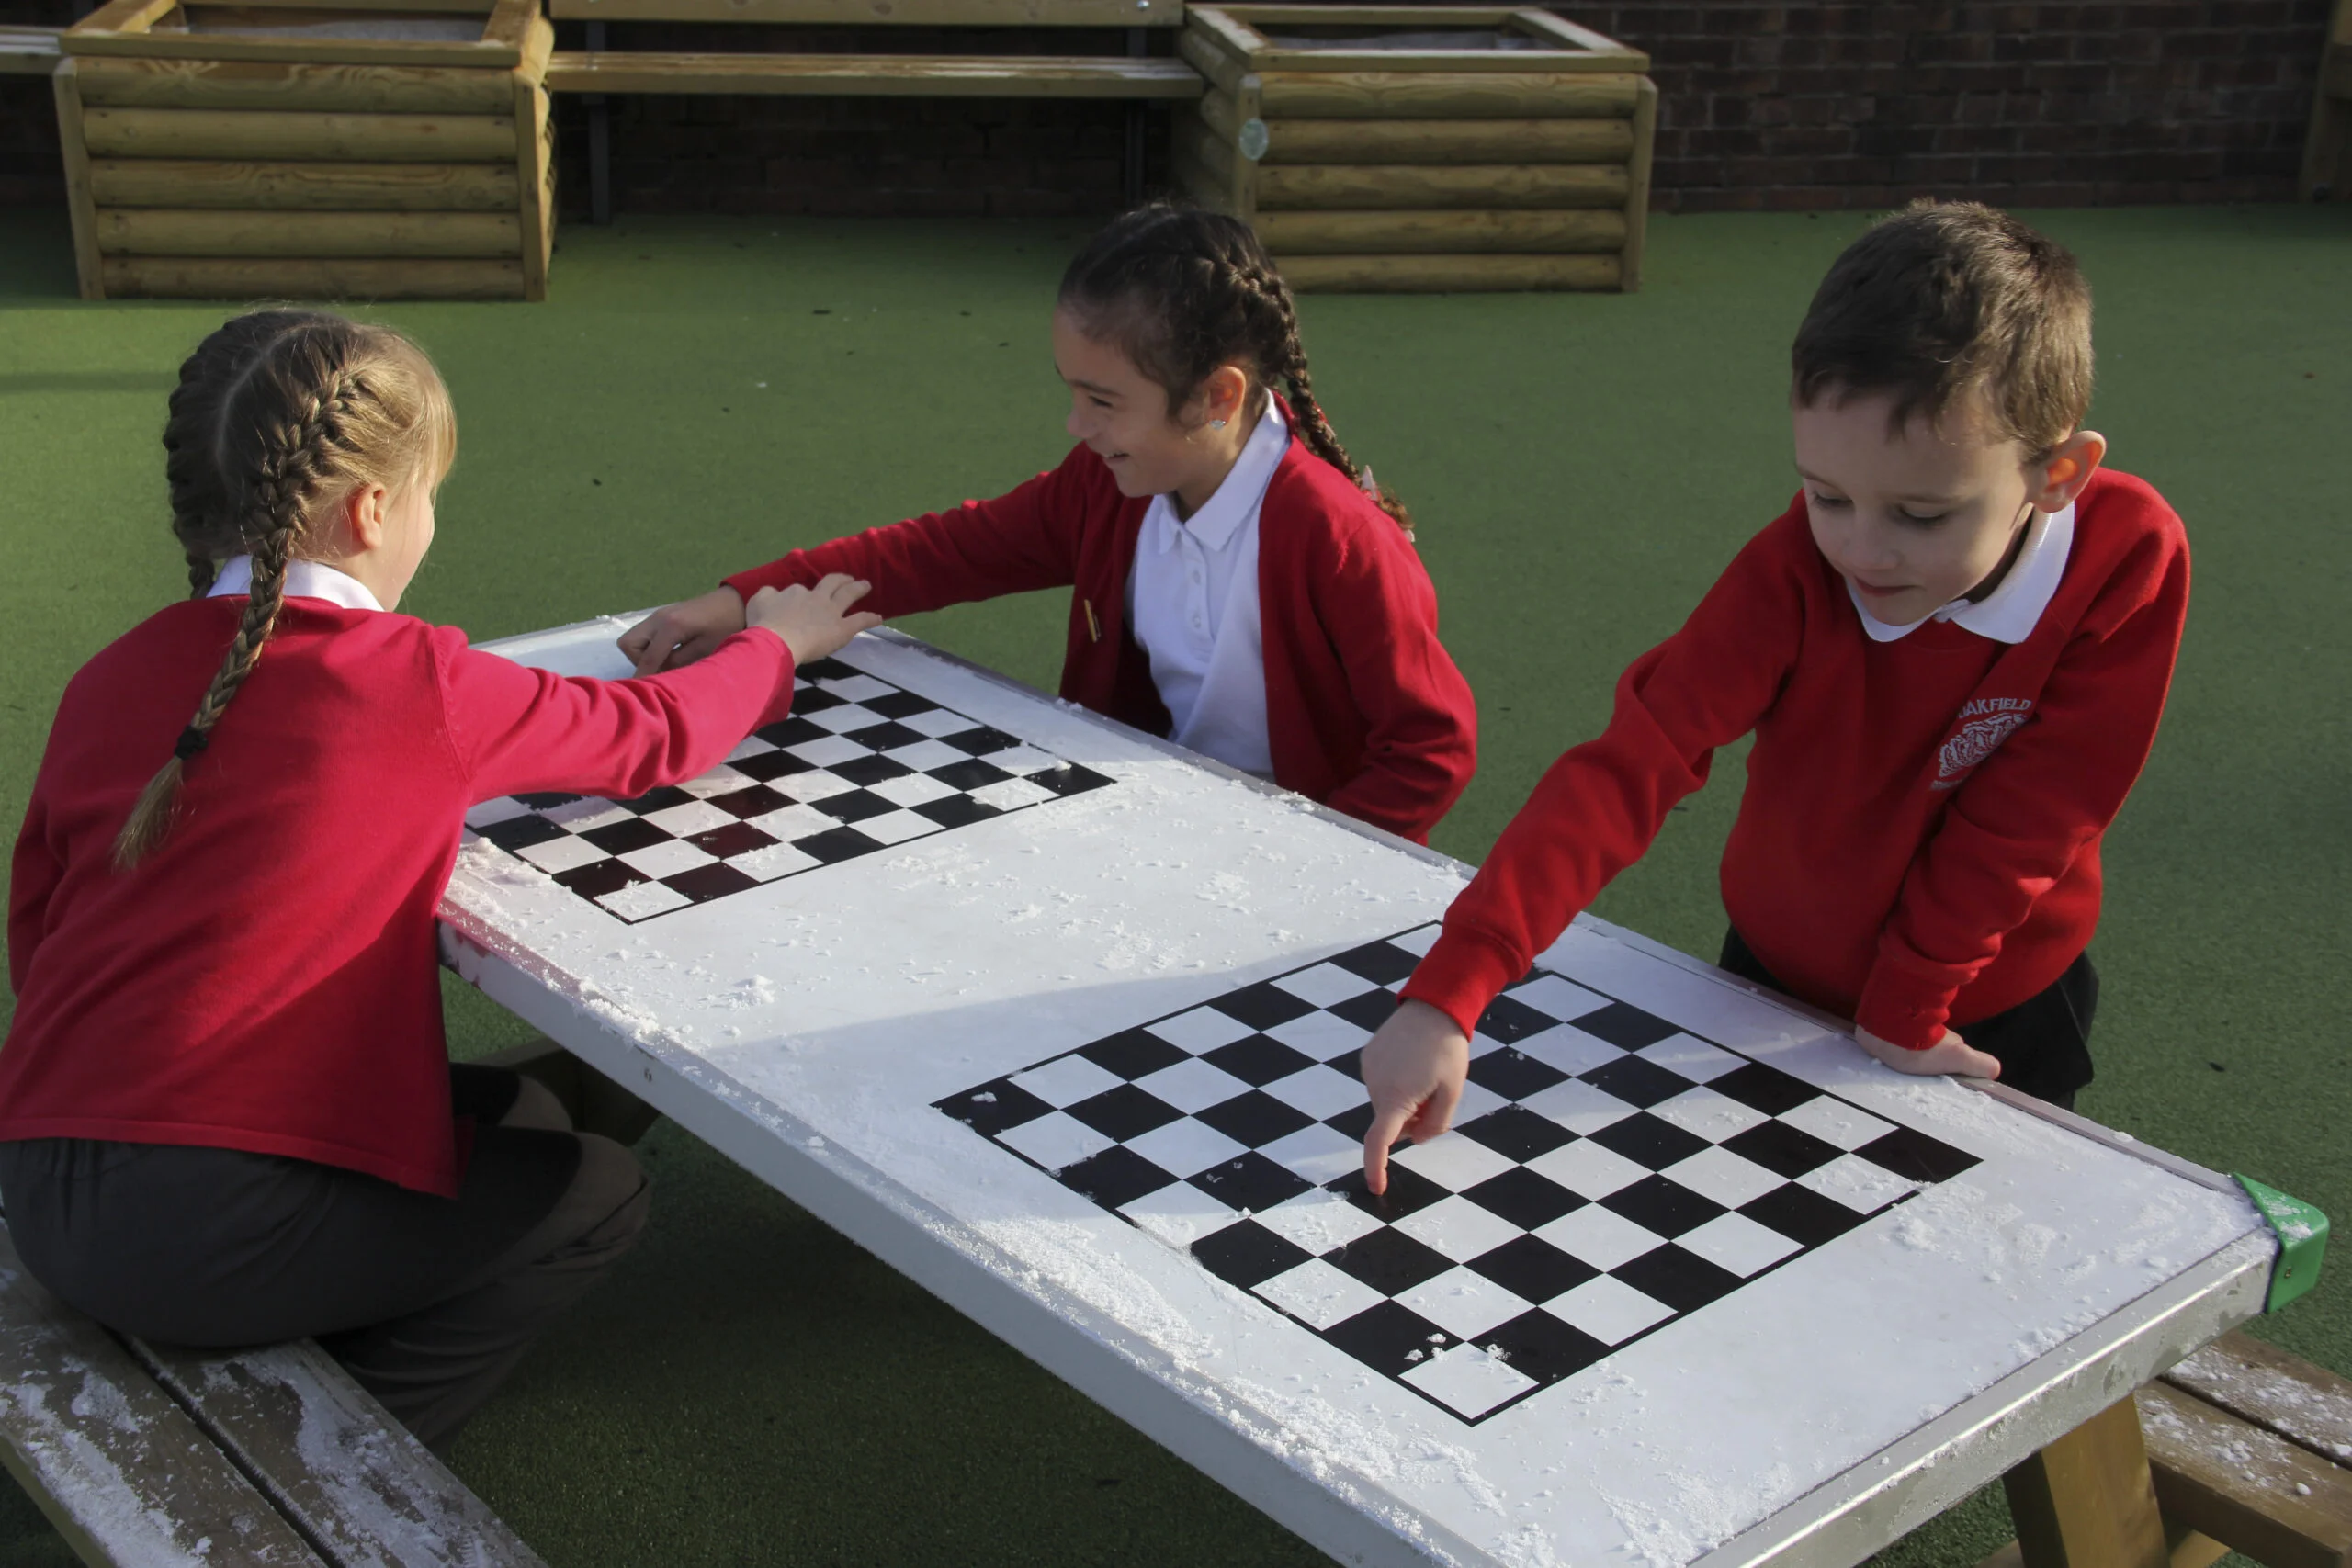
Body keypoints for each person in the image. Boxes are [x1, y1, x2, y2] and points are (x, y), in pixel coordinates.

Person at [0, 310, 879, 1448]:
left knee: (510, 1110)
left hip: (42, 1170)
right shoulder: (411, 678)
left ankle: (294, 1326)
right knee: (597, 1190)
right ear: (372, 510)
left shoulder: (108, 676)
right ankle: (336, 1455)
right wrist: (778, 645)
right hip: (195, 1233)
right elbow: (654, 734)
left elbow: (38, 929)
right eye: (428, 495)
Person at [1360, 200, 2191, 1190]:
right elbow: (1629, 767)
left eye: (1920, 514)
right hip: (1769, 977)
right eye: (1825, 494)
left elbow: (2041, 810)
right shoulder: (1791, 572)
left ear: (2056, 475)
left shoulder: (2126, 556)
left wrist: (1910, 1004)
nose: (1860, 549)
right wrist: (1449, 994)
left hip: (1994, 994)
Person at [619, 203, 1477, 845]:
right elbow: (935, 554)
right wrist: (737, 601)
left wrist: (1304, 862)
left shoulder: (1336, 537)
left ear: (1217, 397)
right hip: (1154, 826)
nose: (1076, 426)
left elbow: (1430, 748)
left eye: (1102, 401)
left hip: (1293, 870)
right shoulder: (1106, 488)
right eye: (1071, 391)